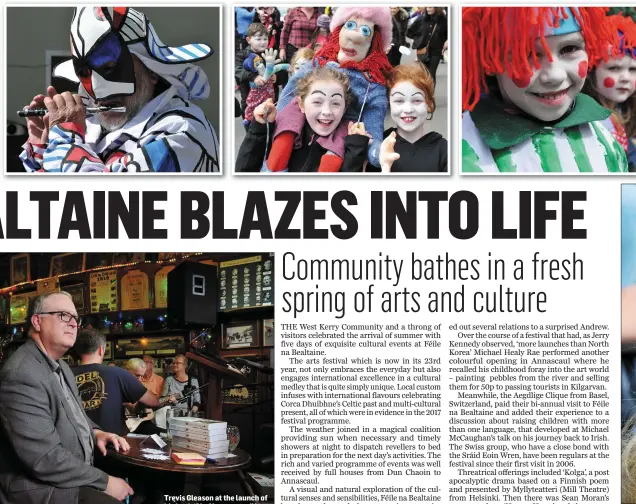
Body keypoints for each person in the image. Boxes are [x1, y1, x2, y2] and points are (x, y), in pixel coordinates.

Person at [20, 6, 219, 173]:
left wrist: (65, 140)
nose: (97, 90)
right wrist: (44, 149)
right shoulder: (93, 128)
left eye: (108, 67)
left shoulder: (181, 131)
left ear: (153, 71)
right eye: (84, 72)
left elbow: (100, 207)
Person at [0, 292, 133, 504]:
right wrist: (105, 482)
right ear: (37, 321)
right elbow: (45, 459)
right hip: (38, 487)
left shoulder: (61, 366)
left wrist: (96, 432)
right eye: (63, 315)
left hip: (71, 473)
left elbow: (76, 415)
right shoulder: (21, 374)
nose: (73, 324)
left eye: (75, 318)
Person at [462, 7, 628, 173]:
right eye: (528, 53)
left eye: (569, 48)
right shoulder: (461, 150)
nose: (555, 75)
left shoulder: (603, 138)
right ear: (490, 61)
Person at [277, 7, 394, 168]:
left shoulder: (372, 84)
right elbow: (289, 93)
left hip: (342, 143)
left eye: (366, 31)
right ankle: (276, 161)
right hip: (302, 141)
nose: (354, 36)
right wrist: (272, 121)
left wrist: (378, 153)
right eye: (350, 26)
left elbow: (373, 131)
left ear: (374, 43)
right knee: (290, 114)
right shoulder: (319, 62)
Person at [236, 67, 370, 172]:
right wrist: (259, 129)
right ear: (301, 104)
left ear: (345, 108)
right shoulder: (279, 128)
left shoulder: (350, 143)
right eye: (317, 102)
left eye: (336, 103)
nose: (327, 111)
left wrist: (356, 148)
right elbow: (243, 172)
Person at [72, 329, 163, 436]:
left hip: (75, 443)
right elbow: (153, 401)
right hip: (110, 445)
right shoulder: (118, 373)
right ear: (101, 349)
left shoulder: (63, 374)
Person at [582, 14, 636, 167]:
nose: (625, 77)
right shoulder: (592, 123)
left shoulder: (620, 110)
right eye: (614, 68)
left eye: (633, 69)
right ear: (590, 71)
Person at [377, 62, 447, 172]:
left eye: (417, 100)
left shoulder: (444, 150)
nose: (408, 109)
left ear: (428, 104)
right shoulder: (379, 146)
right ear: (389, 104)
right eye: (399, 101)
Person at [236, 23, 272, 123]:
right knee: (252, 131)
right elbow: (237, 70)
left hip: (269, 101)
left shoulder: (270, 54)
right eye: (258, 39)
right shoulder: (242, 55)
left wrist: (276, 77)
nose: (263, 42)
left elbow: (280, 70)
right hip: (249, 101)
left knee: (270, 130)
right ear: (248, 40)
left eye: (265, 39)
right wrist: (253, 77)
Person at [407, 7, 447, 85]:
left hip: (436, 51)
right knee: (423, 74)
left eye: (430, 7)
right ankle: (425, 93)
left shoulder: (443, 20)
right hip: (422, 50)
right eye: (427, 7)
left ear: (436, 8)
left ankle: (430, 95)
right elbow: (409, 32)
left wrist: (447, 41)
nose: (428, 9)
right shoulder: (421, 19)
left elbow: (448, 34)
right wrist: (418, 40)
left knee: (431, 74)